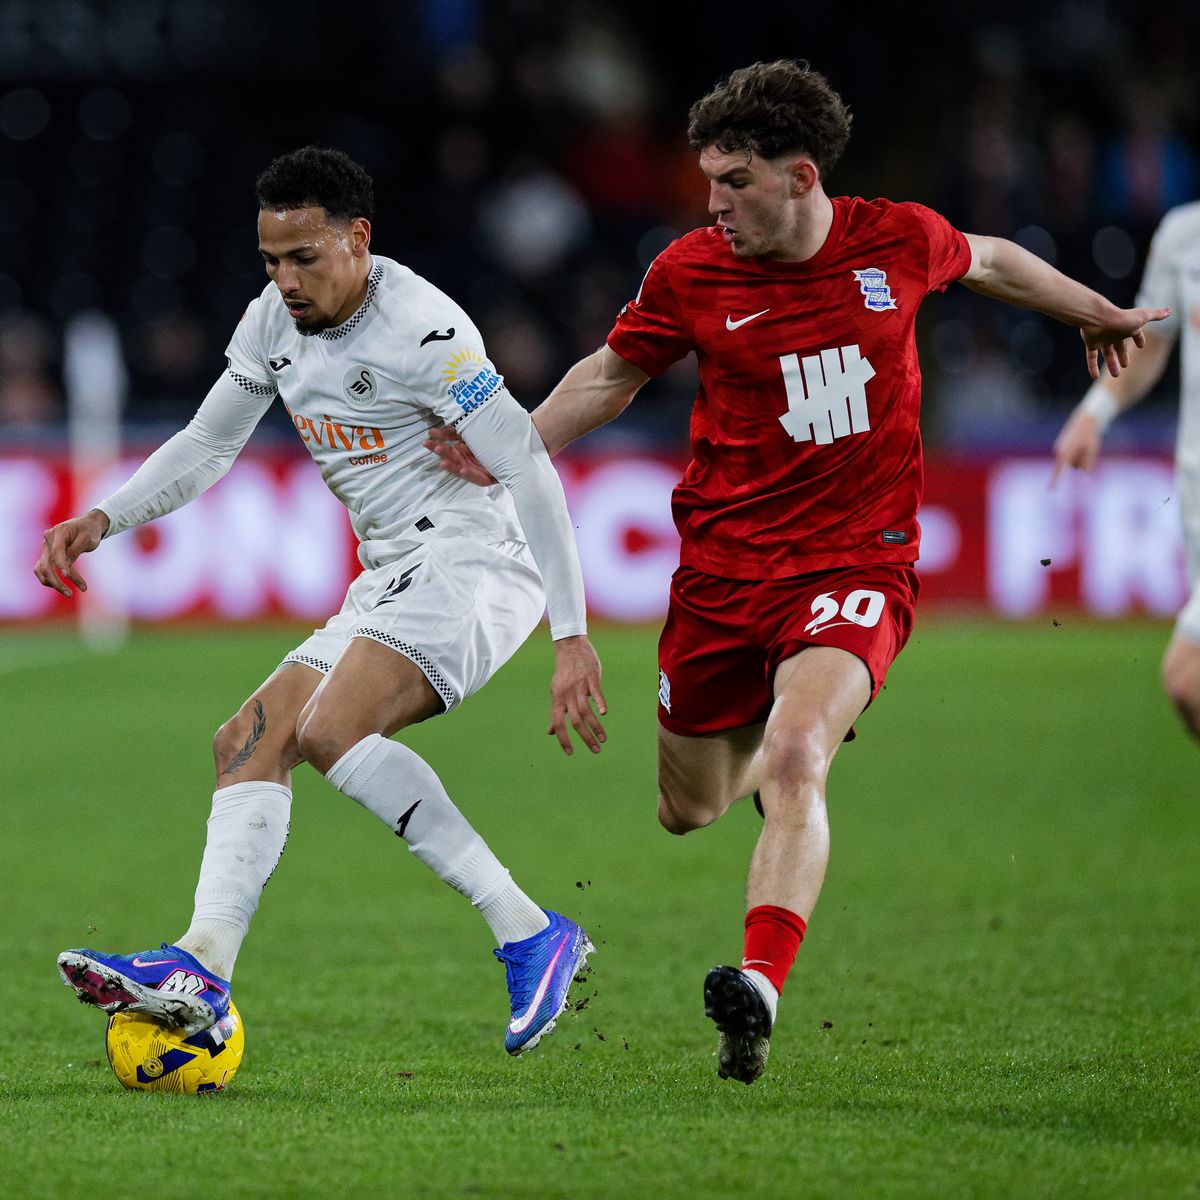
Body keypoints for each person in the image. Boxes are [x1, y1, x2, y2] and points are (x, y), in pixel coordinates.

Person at [425, 60, 1170, 1084]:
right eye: (710, 181)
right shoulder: (691, 271)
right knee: (687, 808)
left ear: (801, 177)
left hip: (856, 562)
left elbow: (992, 258)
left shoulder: (896, 240)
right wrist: (511, 449)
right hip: (722, 577)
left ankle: (759, 984)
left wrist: (1092, 308)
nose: (714, 203)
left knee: (794, 754)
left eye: (734, 182)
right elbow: (609, 375)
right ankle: (779, 773)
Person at [36, 146, 607, 1058]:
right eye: (271, 260)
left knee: (332, 729)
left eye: (304, 257)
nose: (286, 281)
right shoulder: (272, 319)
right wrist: (105, 516)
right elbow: (209, 442)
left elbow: (528, 467)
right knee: (246, 740)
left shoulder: (426, 329)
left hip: (474, 561)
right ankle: (201, 964)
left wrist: (570, 636)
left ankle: (529, 931)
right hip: (391, 574)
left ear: (357, 238)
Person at [1053, 201, 1200, 742]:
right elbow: (1152, 341)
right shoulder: (1183, 235)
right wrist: (1094, 412)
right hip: (1195, 499)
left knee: (1188, 677)